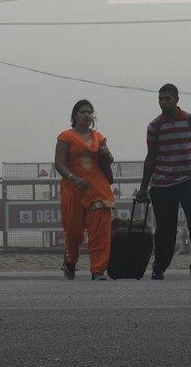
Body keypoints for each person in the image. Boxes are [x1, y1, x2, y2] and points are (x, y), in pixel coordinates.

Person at [136, 83, 191, 280]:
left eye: (168, 98)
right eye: (161, 99)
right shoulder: (155, 126)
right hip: (162, 185)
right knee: (165, 229)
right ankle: (159, 266)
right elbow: (150, 157)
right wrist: (143, 187)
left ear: (176, 99)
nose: (164, 102)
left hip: (187, 181)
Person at [54, 99, 115, 281]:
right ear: (75, 115)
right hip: (73, 188)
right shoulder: (65, 137)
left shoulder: (99, 137)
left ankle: (98, 270)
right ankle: (70, 261)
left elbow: (108, 159)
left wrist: (107, 154)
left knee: (100, 230)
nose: (87, 115)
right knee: (74, 233)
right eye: (82, 112)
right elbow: (58, 164)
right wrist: (74, 178)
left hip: (97, 189)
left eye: (89, 112)